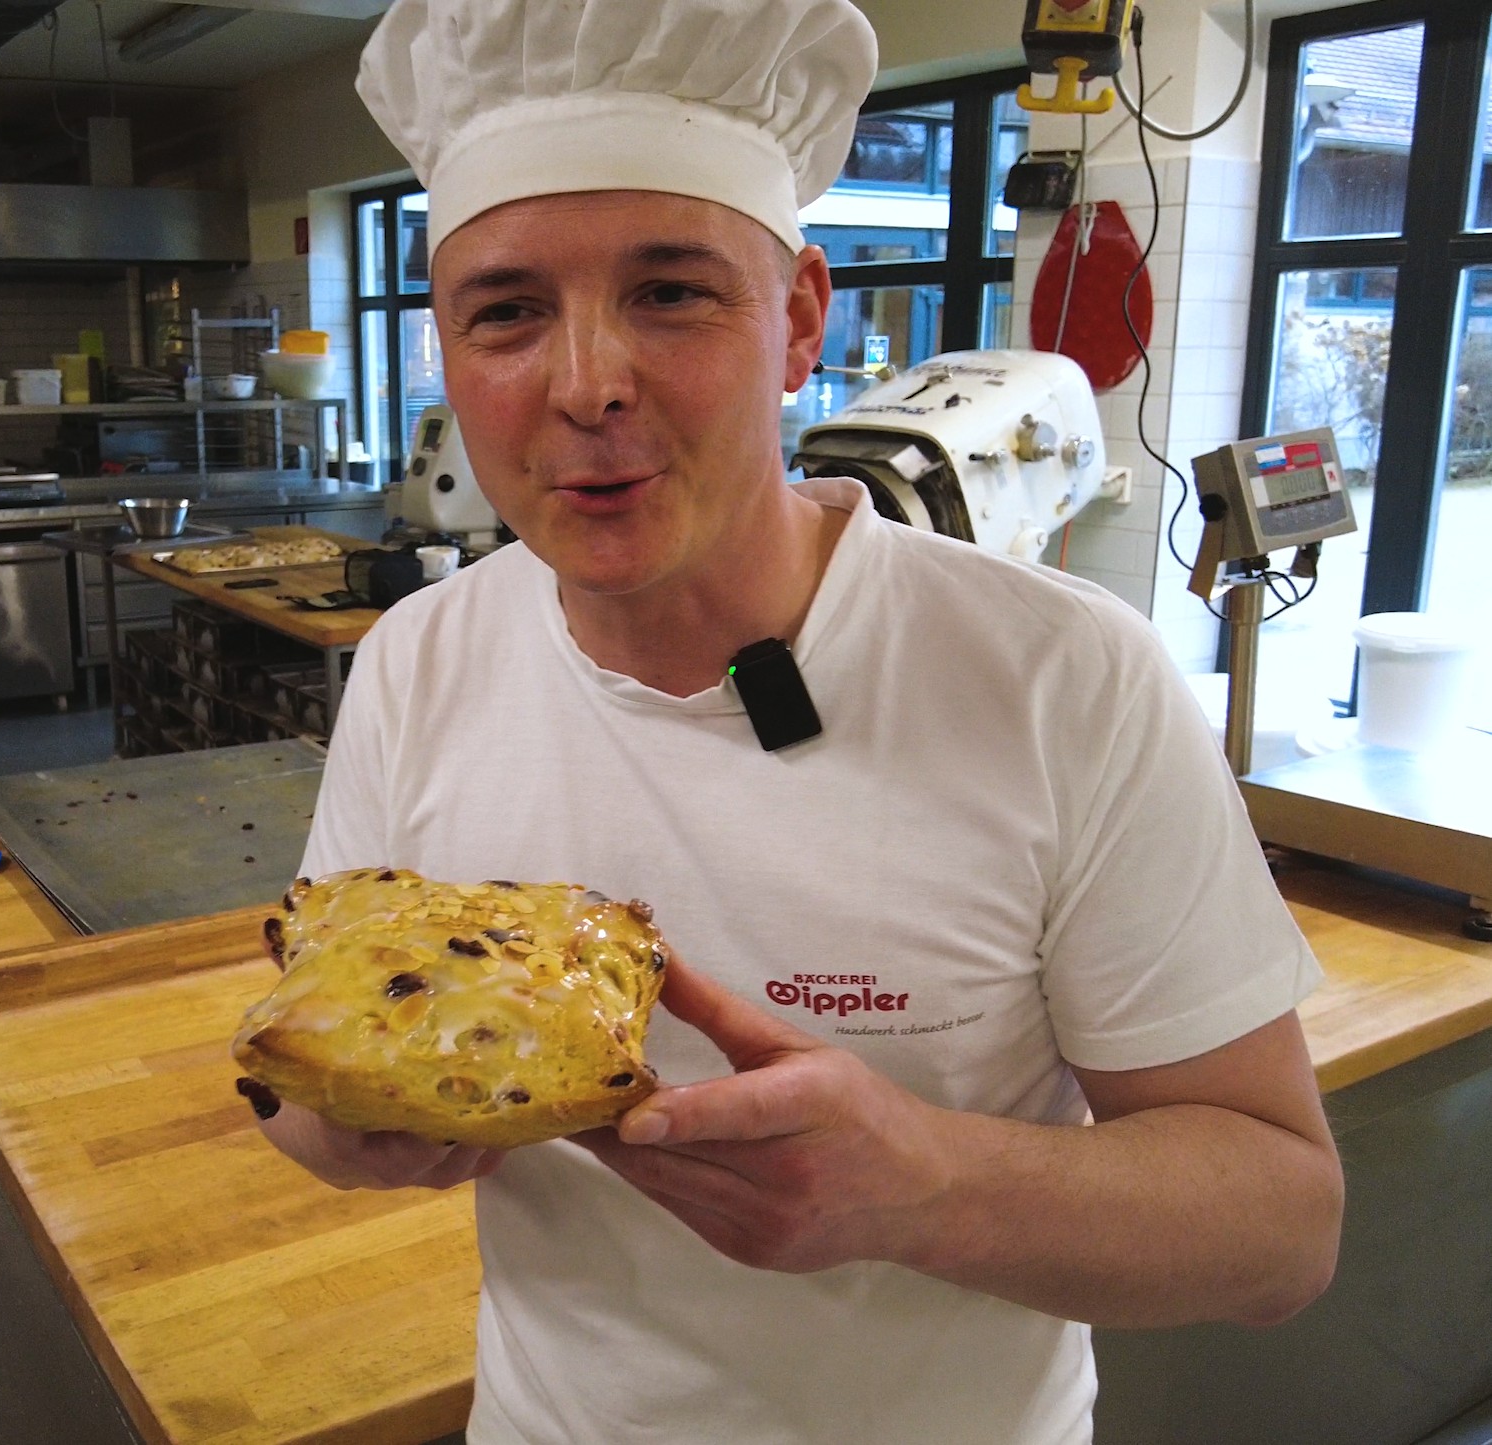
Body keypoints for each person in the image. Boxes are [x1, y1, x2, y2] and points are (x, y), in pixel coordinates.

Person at [256, 1, 1345, 1440]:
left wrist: (928, 1185)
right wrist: (348, 1122)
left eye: (671, 292)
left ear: (800, 319)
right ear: (449, 349)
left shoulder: (1059, 678)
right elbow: (296, 1079)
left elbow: (1280, 1228)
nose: (585, 383)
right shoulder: (418, 659)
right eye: (506, 309)